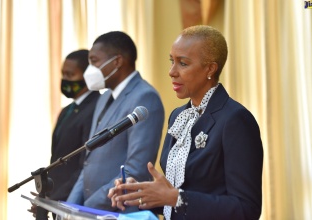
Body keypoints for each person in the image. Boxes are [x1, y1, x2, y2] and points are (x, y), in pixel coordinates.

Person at [108, 25, 264, 220]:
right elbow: (175, 200)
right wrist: (138, 194)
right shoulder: (178, 116)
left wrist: (175, 198)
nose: (172, 72)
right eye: (172, 61)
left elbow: (246, 209)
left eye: (183, 63)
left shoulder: (235, 120)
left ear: (210, 68)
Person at [67, 31, 165, 213]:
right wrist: (70, 207)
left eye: (94, 61)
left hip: (119, 211)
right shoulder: (104, 98)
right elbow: (90, 159)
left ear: (117, 61)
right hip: (91, 212)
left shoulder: (145, 97)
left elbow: (135, 170)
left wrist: (86, 209)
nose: (90, 69)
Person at [28, 49, 101, 219]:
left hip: (75, 202)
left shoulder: (96, 107)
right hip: (56, 201)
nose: (65, 80)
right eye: (63, 74)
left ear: (87, 76)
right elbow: (58, 157)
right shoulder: (67, 110)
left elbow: (85, 162)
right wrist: (46, 196)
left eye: (70, 74)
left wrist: (54, 197)